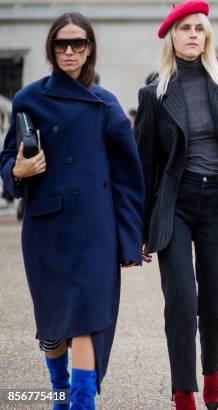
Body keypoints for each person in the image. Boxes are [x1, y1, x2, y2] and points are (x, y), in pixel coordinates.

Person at [0, 12, 144, 409]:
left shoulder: (106, 104)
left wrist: (130, 240)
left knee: (85, 320)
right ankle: (59, 394)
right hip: (47, 227)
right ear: (51, 49)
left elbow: (129, 180)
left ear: (89, 48)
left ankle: (80, 404)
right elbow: (8, 156)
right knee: (53, 327)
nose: (69, 51)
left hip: (96, 230)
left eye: (77, 43)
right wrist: (18, 169)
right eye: (61, 44)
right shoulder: (29, 98)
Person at [135, 2, 218, 409]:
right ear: (171, 36)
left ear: (208, 36)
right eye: (185, 28)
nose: (193, 34)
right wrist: (141, 229)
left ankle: (212, 371)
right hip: (175, 200)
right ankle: (184, 389)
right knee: (181, 300)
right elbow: (146, 165)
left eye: (199, 29)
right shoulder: (154, 90)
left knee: (216, 302)